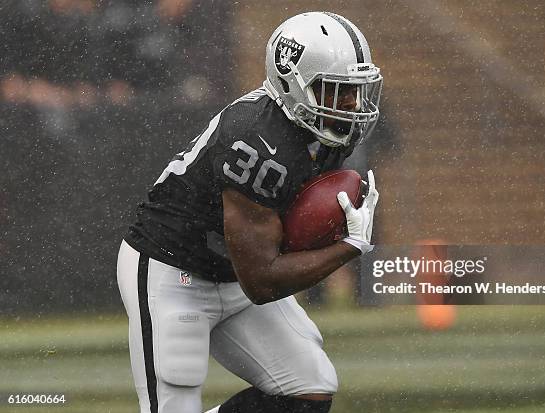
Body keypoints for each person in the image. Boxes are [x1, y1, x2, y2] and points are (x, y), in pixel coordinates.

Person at [117, 11, 382, 413]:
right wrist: (349, 246)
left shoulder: (319, 129)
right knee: (175, 398)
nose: (351, 104)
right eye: (335, 90)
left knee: (309, 388)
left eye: (355, 91)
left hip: (234, 272)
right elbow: (262, 282)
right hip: (173, 270)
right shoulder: (255, 140)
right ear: (294, 85)